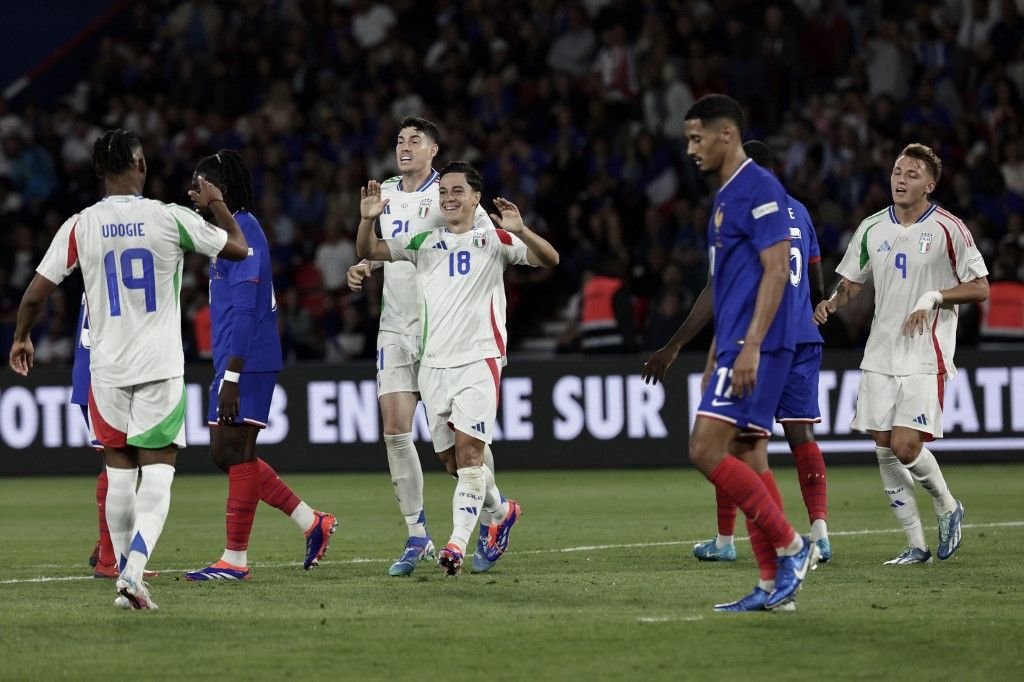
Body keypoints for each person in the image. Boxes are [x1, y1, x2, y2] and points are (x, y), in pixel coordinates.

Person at [9, 129, 249, 609]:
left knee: (118, 473)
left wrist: (21, 337)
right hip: (159, 366)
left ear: (100, 170)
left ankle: (122, 574)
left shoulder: (80, 225)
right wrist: (219, 204)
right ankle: (134, 573)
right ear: (140, 165)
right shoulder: (168, 218)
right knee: (158, 472)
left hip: (107, 369)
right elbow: (239, 249)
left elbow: (36, 291)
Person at [355, 161, 559, 576]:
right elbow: (369, 252)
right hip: (433, 365)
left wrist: (521, 230)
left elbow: (549, 259)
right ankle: (502, 510)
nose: (449, 198)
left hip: (478, 359)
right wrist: (366, 222)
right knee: (453, 463)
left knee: (469, 456)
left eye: (457, 191)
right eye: (444, 192)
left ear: (475, 198)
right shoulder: (424, 241)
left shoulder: (494, 239)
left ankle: (455, 545)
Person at [642, 140, 832, 566]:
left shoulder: (742, 209)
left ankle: (732, 542)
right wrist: (809, 308)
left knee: (729, 442)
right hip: (800, 336)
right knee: (799, 434)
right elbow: (815, 281)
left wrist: (675, 345)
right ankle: (818, 533)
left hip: (757, 339)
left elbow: (718, 288)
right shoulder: (798, 210)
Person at [672, 95, 817, 611]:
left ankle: (793, 546)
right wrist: (715, 347)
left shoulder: (760, 188)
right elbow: (732, 284)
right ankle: (773, 586)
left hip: (761, 344)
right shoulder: (725, 195)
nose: (691, 148)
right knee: (748, 458)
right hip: (734, 342)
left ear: (726, 134)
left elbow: (777, 270)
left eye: (697, 137)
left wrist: (751, 344)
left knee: (704, 450)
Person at [814, 143, 988, 564]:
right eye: (897, 170)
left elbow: (980, 287)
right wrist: (832, 303)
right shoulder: (873, 227)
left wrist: (934, 297)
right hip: (881, 350)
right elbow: (852, 282)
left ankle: (948, 506)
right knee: (883, 445)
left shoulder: (950, 228)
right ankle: (916, 545)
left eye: (912, 174)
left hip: (925, 352)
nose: (901, 179)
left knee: (906, 446)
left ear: (930, 185)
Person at [347, 117, 501, 576]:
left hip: (444, 333)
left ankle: (496, 509)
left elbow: (485, 243)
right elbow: (380, 249)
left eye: (415, 140)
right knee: (394, 430)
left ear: (433, 150)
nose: (405, 146)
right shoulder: (385, 192)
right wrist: (362, 267)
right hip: (395, 326)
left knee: (456, 457)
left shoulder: (452, 192)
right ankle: (417, 535)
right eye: (399, 140)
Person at [183, 150, 337, 581]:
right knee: (226, 454)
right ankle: (312, 522)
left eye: (200, 185)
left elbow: (249, 308)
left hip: (246, 360)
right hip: (235, 359)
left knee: (234, 452)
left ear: (221, 191)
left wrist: (232, 374)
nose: (191, 192)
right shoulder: (226, 236)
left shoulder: (245, 229)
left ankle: (235, 559)